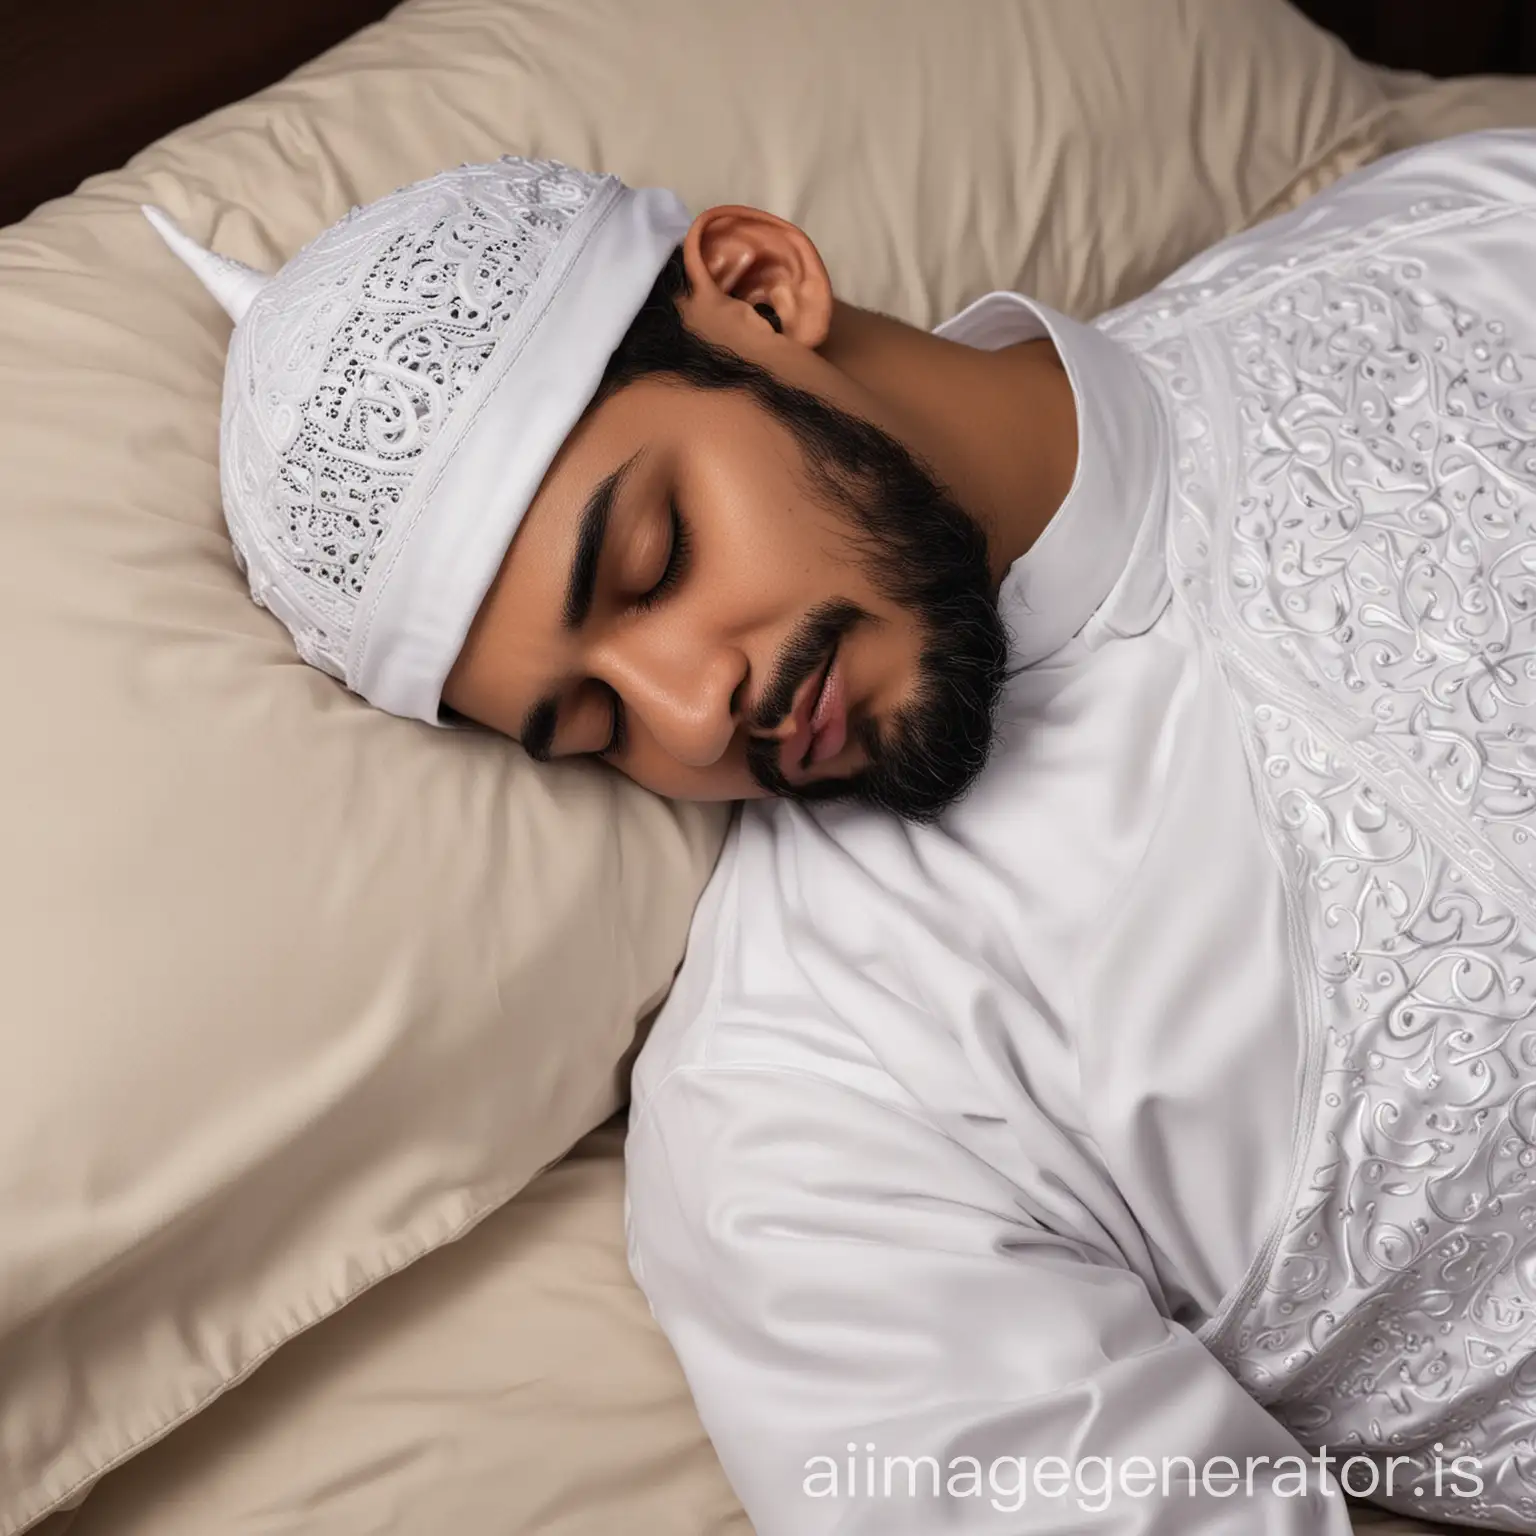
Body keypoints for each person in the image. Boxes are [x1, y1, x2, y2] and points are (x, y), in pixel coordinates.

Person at [147, 131, 1536, 1532]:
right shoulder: (816, 1118)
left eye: (653, 561)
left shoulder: (1455, 231)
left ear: (758, 289)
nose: (690, 719)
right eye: (591, 725)